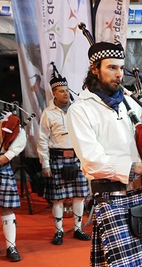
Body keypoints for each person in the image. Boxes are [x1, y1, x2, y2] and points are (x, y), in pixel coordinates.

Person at [66, 41, 142, 267]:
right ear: (94, 69)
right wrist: (137, 167)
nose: (119, 74)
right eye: (111, 68)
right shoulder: (80, 110)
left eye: (121, 68)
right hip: (111, 196)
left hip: (140, 193)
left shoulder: (131, 101)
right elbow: (91, 161)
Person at [36, 69, 91, 245]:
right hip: (57, 158)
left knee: (79, 196)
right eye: (61, 91)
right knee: (58, 198)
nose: (65, 93)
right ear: (54, 93)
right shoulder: (48, 113)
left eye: (67, 90)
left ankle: (78, 228)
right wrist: (45, 163)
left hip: (77, 158)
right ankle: (59, 231)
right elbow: (42, 139)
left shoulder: (77, 110)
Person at [0, 107, 27, 262]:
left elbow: (21, 138)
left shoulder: (7, 119)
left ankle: (11, 246)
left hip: (3, 165)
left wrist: (7, 156)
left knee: (6, 207)